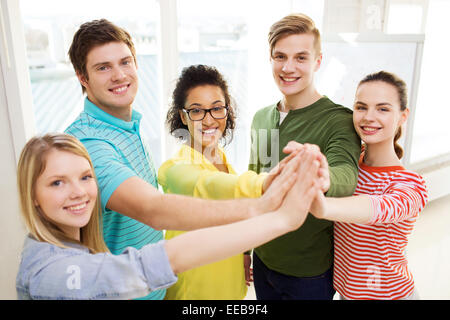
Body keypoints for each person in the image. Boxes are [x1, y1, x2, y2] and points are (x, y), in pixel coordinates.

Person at [64, 19, 294, 300]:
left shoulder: (128, 127)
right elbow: (154, 208)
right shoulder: (89, 145)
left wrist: (244, 250)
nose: (119, 75)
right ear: (82, 78)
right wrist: (263, 194)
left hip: (153, 287)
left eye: (125, 62)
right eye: (103, 67)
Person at [15, 133, 322, 300]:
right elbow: (158, 259)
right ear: (33, 197)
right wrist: (275, 215)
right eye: (57, 182)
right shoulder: (48, 274)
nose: (78, 192)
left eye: (85, 177)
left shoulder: (67, 245)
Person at [248, 13, 361, 300]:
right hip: (263, 257)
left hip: (308, 274)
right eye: (280, 56)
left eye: (300, 57)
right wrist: (245, 251)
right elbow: (252, 186)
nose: (288, 67)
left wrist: (323, 176)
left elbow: (345, 174)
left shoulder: (339, 120)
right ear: (270, 59)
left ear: (317, 62)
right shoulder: (262, 117)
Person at [159, 64, 285, 300]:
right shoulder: (175, 169)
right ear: (183, 117)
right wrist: (265, 183)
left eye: (217, 108)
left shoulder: (225, 163)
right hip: (194, 293)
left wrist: (244, 252)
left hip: (230, 291)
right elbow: (206, 184)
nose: (209, 120)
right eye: (197, 111)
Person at [303, 71, 428, 300]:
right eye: (361, 107)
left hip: (390, 296)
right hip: (347, 293)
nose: (369, 117)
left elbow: (376, 208)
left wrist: (323, 206)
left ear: (403, 116)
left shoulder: (411, 185)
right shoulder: (349, 165)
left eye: (383, 108)